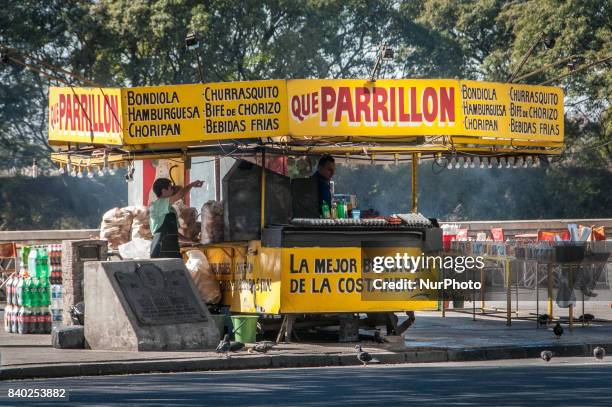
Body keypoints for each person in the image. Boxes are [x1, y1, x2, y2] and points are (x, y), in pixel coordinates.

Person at [149, 178, 204, 258]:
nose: (173, 190)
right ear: (164, 190)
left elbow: (174, 234)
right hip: (160, 249)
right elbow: (179, 195)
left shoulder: (171, 210)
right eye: (171, 187)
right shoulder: (156, 205)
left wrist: (191, 241)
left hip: (172, 249)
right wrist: (192, 184)